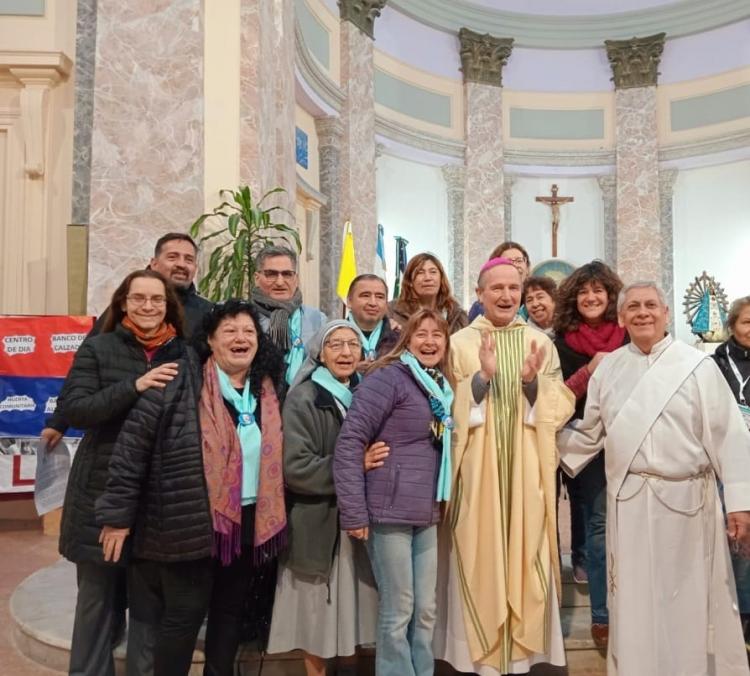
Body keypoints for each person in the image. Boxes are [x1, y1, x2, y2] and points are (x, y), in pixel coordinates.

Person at [558, 281, 750, 676]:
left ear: (666, 312)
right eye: (633, 306)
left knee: (685, 599)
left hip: (688, 502)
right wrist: (532, 436)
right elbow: (589, 432)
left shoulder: (697, 366)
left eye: (650, 305)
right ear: (623, 317)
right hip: (629, 502)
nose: (642, 312)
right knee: (635, 600)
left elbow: (730, 434)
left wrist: (740, 503)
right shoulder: (609, 367)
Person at [94, 300, 286, 676]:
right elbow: (132, 448)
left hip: (248, 521)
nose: (240, 338)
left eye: (248, 332)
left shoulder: (267, 391)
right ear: (210, 341)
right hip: (192, 519)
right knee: (184, 616)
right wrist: (117, 516)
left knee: (230, 612)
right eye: (229, 331)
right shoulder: (179, 381)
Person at [434, 257, 575, 675]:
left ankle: (522, 660)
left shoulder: (540, 343)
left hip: (527, 470)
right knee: (478, 551)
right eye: (496, 288)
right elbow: (443, 407)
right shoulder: (459, 343)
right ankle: (478, 660)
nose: (506, 296)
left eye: (513, 288)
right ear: (479, 294)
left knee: (527, 548)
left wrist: (532, 383)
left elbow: (560, 403)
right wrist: (480, 381)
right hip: (476, 472)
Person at [58, 270, 186, 676]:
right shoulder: (98, 348)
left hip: (158, 496)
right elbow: (76, 409)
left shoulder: (184, 352)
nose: (148, 307)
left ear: (169, 306)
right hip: (100, 488)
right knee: (97, 604)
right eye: (139, 299)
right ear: (123, 303)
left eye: (157, 300)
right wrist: (135, 386)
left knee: (149, 609)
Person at [335, 309, 455, 676]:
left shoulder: (439, 386)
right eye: (422, 334)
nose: (430, 341)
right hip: (388, 510)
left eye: (438, 335)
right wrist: (353, 512)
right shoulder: (390, 378)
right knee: (398, 608)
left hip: (426, 510)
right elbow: (350, 442)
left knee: (426, 609)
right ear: (407, 340)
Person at [267, 320, 378, 676]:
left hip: (359, 525)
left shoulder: (368, 393)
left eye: (353, 345)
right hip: (319, 524)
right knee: (316, 620)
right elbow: (296, 467)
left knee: (353, 617)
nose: (346, 353)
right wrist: (353, 466)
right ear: (320, 353)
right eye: (336, 345)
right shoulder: (304, 397)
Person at [41, 233, 212, 449]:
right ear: (154, 263)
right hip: (112, 439)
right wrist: (59, 422)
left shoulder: (208, 314)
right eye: (173, 257)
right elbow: (83, 376)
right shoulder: (126, 310)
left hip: (171, 445)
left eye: (189, 259)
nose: (181, 264)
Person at [553, 261, 626, 646]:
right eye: (584, 292)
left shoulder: (631, 337)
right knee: (596, 526)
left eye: (599, 291)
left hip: (626, 442)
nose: (591, 297)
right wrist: (590, 373)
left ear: (612, 297)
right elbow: (556, 398)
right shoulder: (561, 342)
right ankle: (601, 615)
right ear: (573, 299)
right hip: (584, 444)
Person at [713, 295, 750, 651]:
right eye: (747, 322)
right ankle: (740, 618)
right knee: (740, 541)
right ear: (733, 326)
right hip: (732, 464)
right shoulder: (714, 364)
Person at [250, 245, 326, 384]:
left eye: (287, 274)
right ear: (257, 278)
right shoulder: (244, 317)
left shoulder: (317, 320)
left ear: (295, 279)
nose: (280, 282)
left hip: (303, 401)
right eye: (271, 274)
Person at [387, 253, 467, 335]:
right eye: (420, 272)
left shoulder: (457, 316)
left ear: (441, 279)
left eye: (433, 272)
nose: (428, 278)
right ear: (410, 281)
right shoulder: (391, 312)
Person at [468, 241, 531, 321]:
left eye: (519, 260)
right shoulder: (481, 307)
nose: (515, 265)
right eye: (508, 261)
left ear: (527, 268)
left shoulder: (536, 301)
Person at [346, 274, 399, 361]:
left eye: (379, 297)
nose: (373, 303)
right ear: (349, 301)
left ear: (386, 303)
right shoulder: (333, 338)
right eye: (365, 295)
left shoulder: (401, 340)